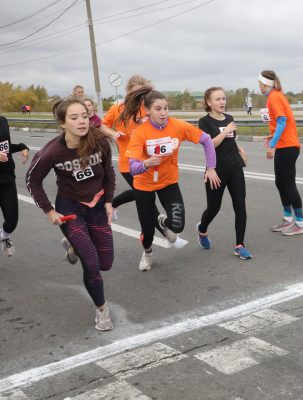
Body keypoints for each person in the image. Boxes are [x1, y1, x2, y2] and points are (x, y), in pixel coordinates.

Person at [25, 98, 116, 330]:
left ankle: (72, 245)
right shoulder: (52, 151)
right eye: (74, 118)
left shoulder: (100, 142)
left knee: (106, 263)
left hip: (95, 205)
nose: (82, 121)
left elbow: (108, 173)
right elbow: (32, 181)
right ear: (62, 124)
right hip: (70, 209)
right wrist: (49, 211)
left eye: (84, 116)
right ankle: (102, 310)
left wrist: (108, 201)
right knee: (92, 263)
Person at [122, 87, 220, 271]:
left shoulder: (178, 126)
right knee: (148, 233)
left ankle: (162, 221)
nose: (163, 113)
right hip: (144, 185)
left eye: (166, 108)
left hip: (168, 182)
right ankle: (148, 252)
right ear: (148, 111)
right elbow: (132, 168)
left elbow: (206, 140)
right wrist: (147, 164)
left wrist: (211, 168)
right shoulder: (140, 133)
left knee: (177, 225)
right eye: (158, 109)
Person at [100, 75, 173, 247]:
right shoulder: (118, 109)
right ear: (127, 93)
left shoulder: (147, 108)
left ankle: (113, 204)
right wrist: (113, 134)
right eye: (134, 93)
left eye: (141, 93)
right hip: (129, 163)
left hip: (150, 162)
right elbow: (103, 125)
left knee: (145, 195)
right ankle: (167, 233)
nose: (138, 97)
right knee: (146, 199)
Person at [196, 87, 251, 259]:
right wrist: (225, 131)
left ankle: (239, 245)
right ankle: (202, 229)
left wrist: (241, 149)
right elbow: (209, 144)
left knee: (240, 206)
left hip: (234, 167)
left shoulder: (229, 118)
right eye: (218, 99)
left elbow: (231, 140)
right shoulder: (204, 122)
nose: (222, 102)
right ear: (209, 102)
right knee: (214, 208)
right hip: (215, 170)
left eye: (224, 98)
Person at [258, 70, 303, 236]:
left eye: (259, 83)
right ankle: (288, 219)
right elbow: (282, 123)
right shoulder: (275, 96)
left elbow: (282, 121)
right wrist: (273, 136)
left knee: (288, 184)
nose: (259, 86)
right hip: (285, 145)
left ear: (265, 84)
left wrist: (272, 144)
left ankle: (300, 223)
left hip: (287, 147)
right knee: (280, 182)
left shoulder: (274, 97)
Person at [0, 115, 29, 256]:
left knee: (12, 221)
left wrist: (22, 147)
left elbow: (5, 146)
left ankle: (4, 237)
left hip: (7, 180)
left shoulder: (3, 121)